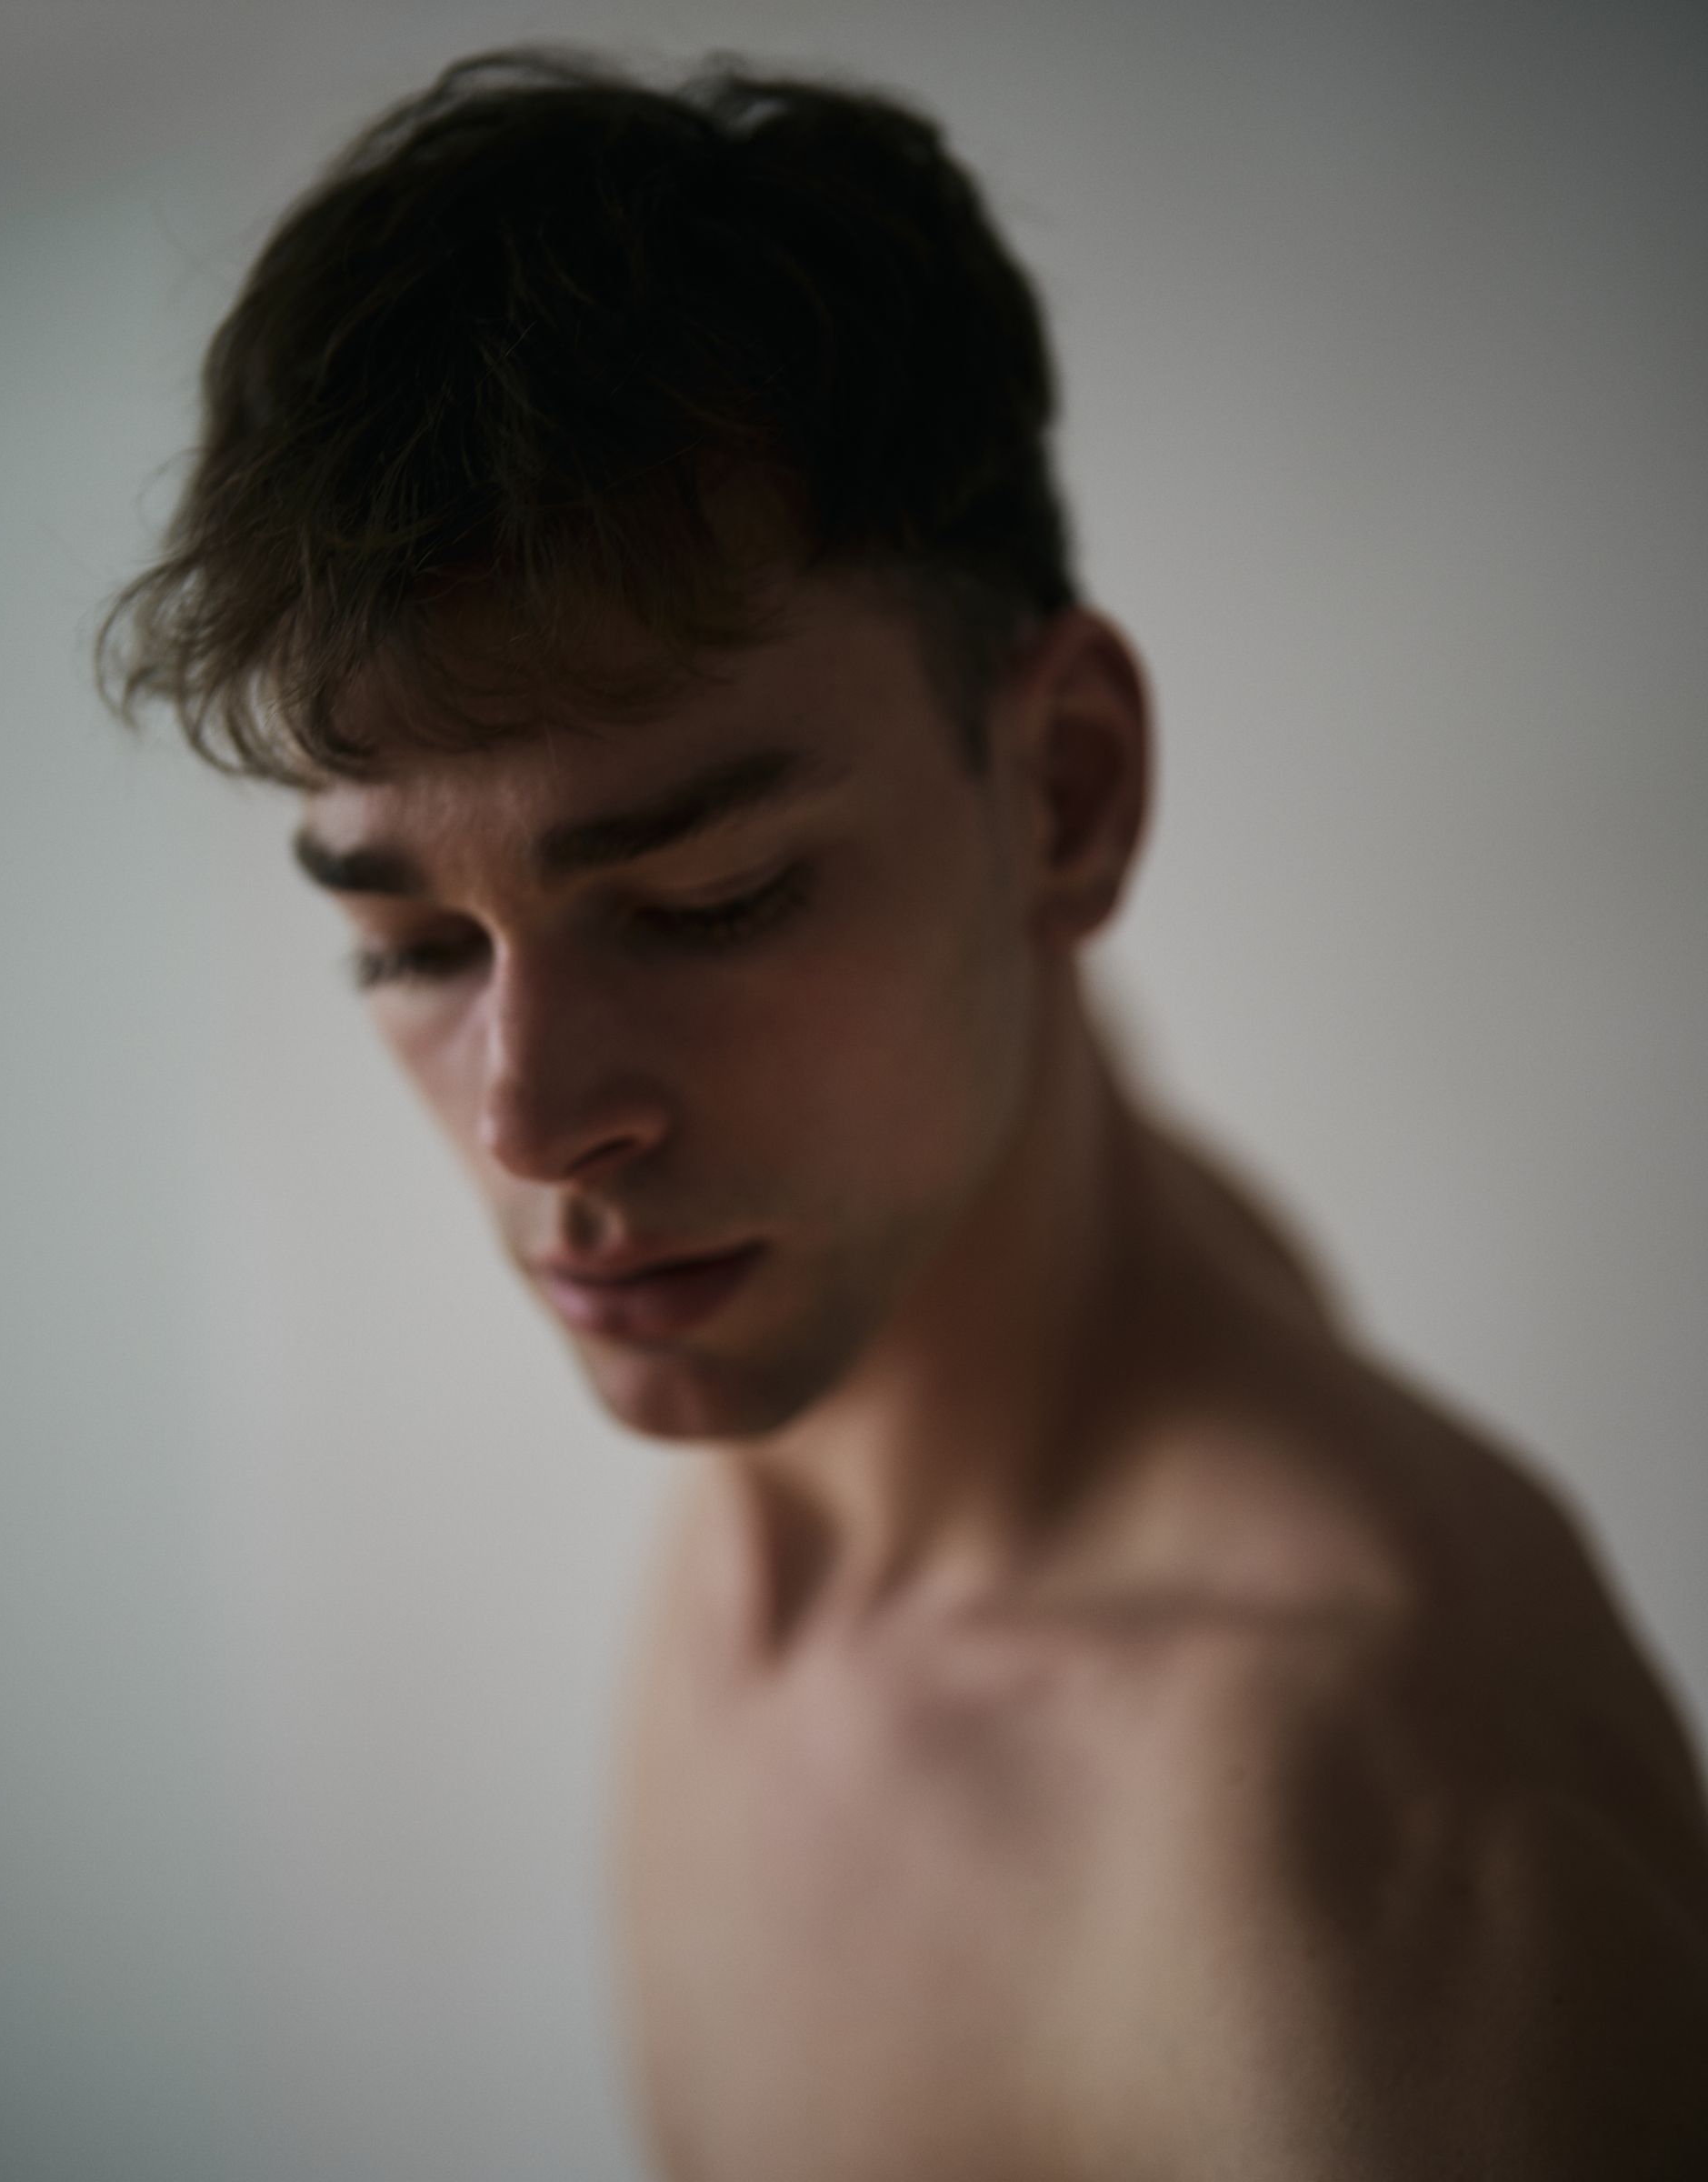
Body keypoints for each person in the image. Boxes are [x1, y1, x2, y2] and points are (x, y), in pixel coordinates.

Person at [100, 47, 1708, 2180]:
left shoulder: (1381, 1870)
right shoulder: (829, 1407)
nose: (532, 1123)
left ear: (1067, 796)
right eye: (410, 945)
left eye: (707, 899)